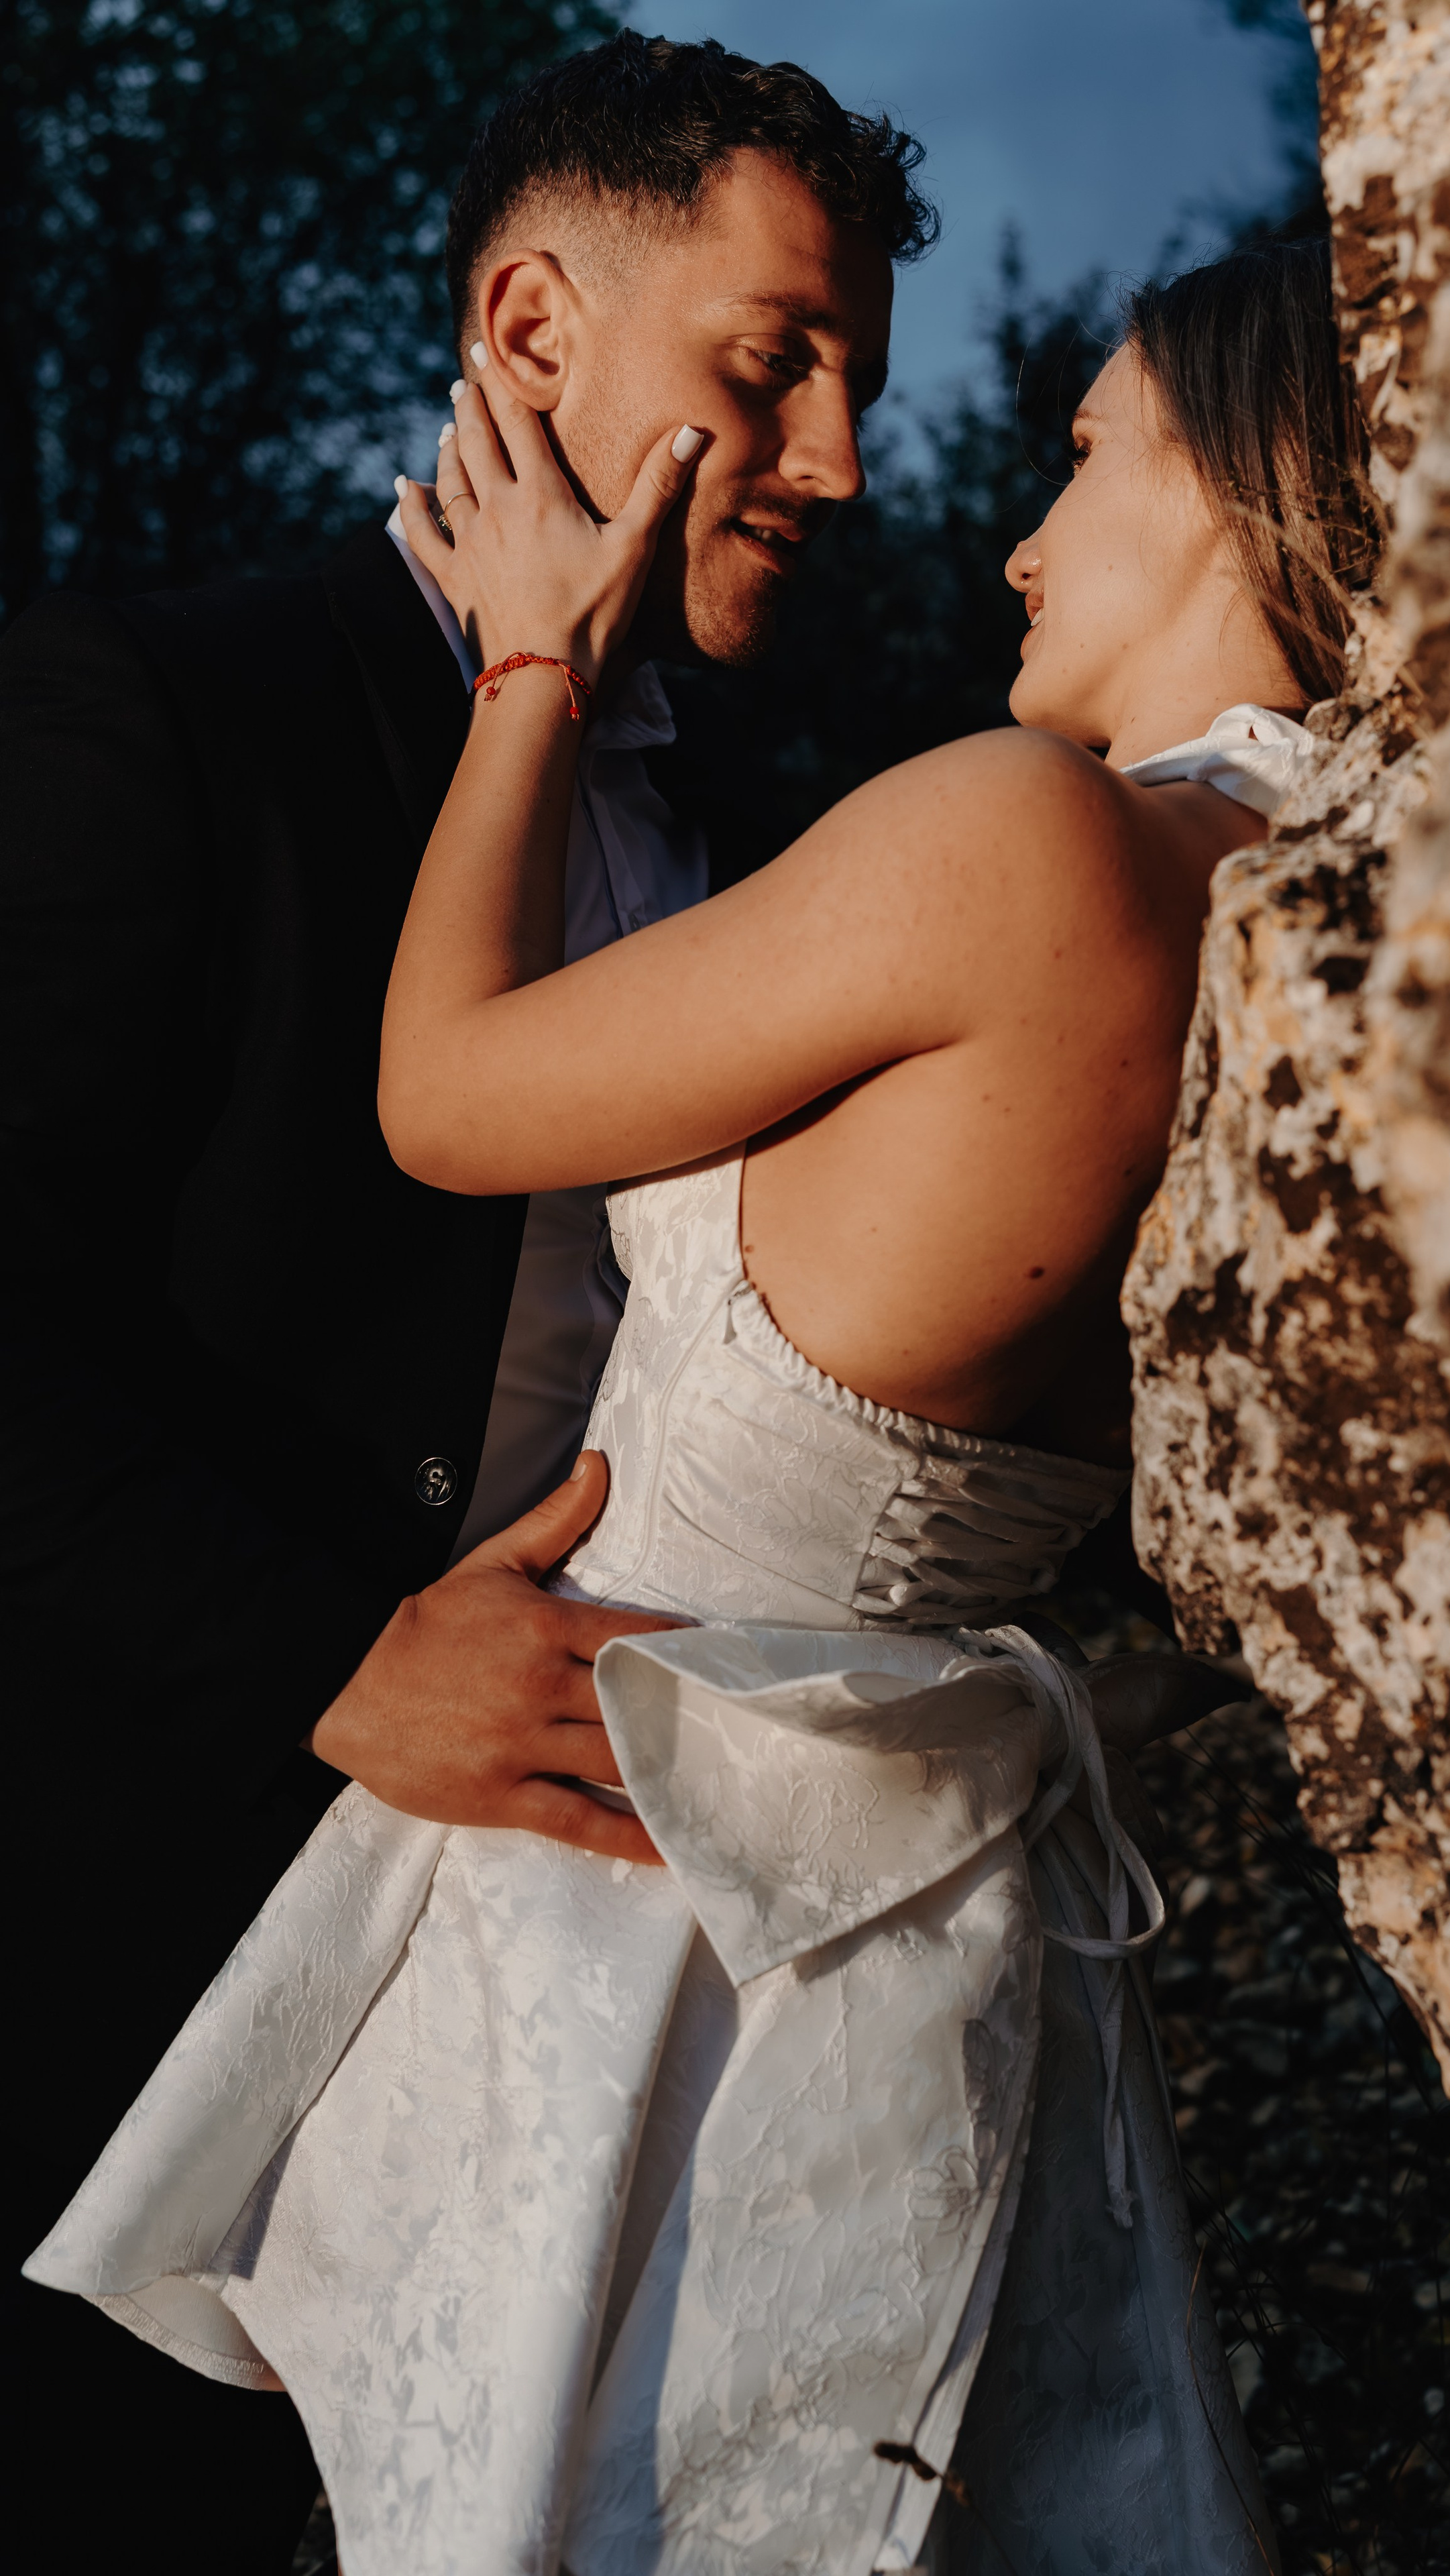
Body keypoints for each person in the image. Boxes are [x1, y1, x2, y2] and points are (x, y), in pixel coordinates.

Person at [28, 239, 1379, 2573]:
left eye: (1082, 456)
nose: (1011, 538)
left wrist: (531, 669)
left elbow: (446, 1095)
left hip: (633, 1920)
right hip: (925, 1908)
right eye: (781, 368)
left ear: (1244, 484)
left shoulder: (1019, 836)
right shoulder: (1331, 936)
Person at [1, 35, 934, 2571]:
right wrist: (328, 1655)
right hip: (119, 1979)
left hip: (578, 2025)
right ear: (530, 333)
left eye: (858, 384)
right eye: (776, 363)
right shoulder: (159, 706)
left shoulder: (763, 842)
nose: (841, 462)